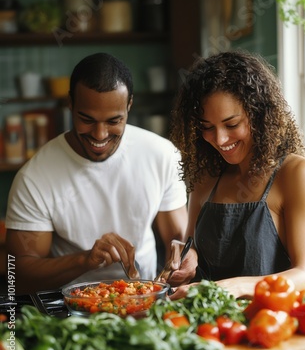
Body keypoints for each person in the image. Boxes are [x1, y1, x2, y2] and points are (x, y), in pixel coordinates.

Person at [5, 53, 187, 294]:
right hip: (70, 311)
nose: (100, 134)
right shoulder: (34, 177)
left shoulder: (162, 155)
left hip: (143, 301)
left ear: (129, 105)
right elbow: (17, 277)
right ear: (70, 103)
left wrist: (180, 255)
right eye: (86, 119)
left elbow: (178, 237)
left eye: (114, 121)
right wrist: (84, 260)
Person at [167, 50, 305, 299]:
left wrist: (225, 289)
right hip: (205, 328)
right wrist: (188, 255)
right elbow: (192, 245)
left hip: (272, 326)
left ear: (259, 114)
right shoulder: (206, 176)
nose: (219, 140)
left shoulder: (297, 175)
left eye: (231, 125)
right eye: (207, 128)